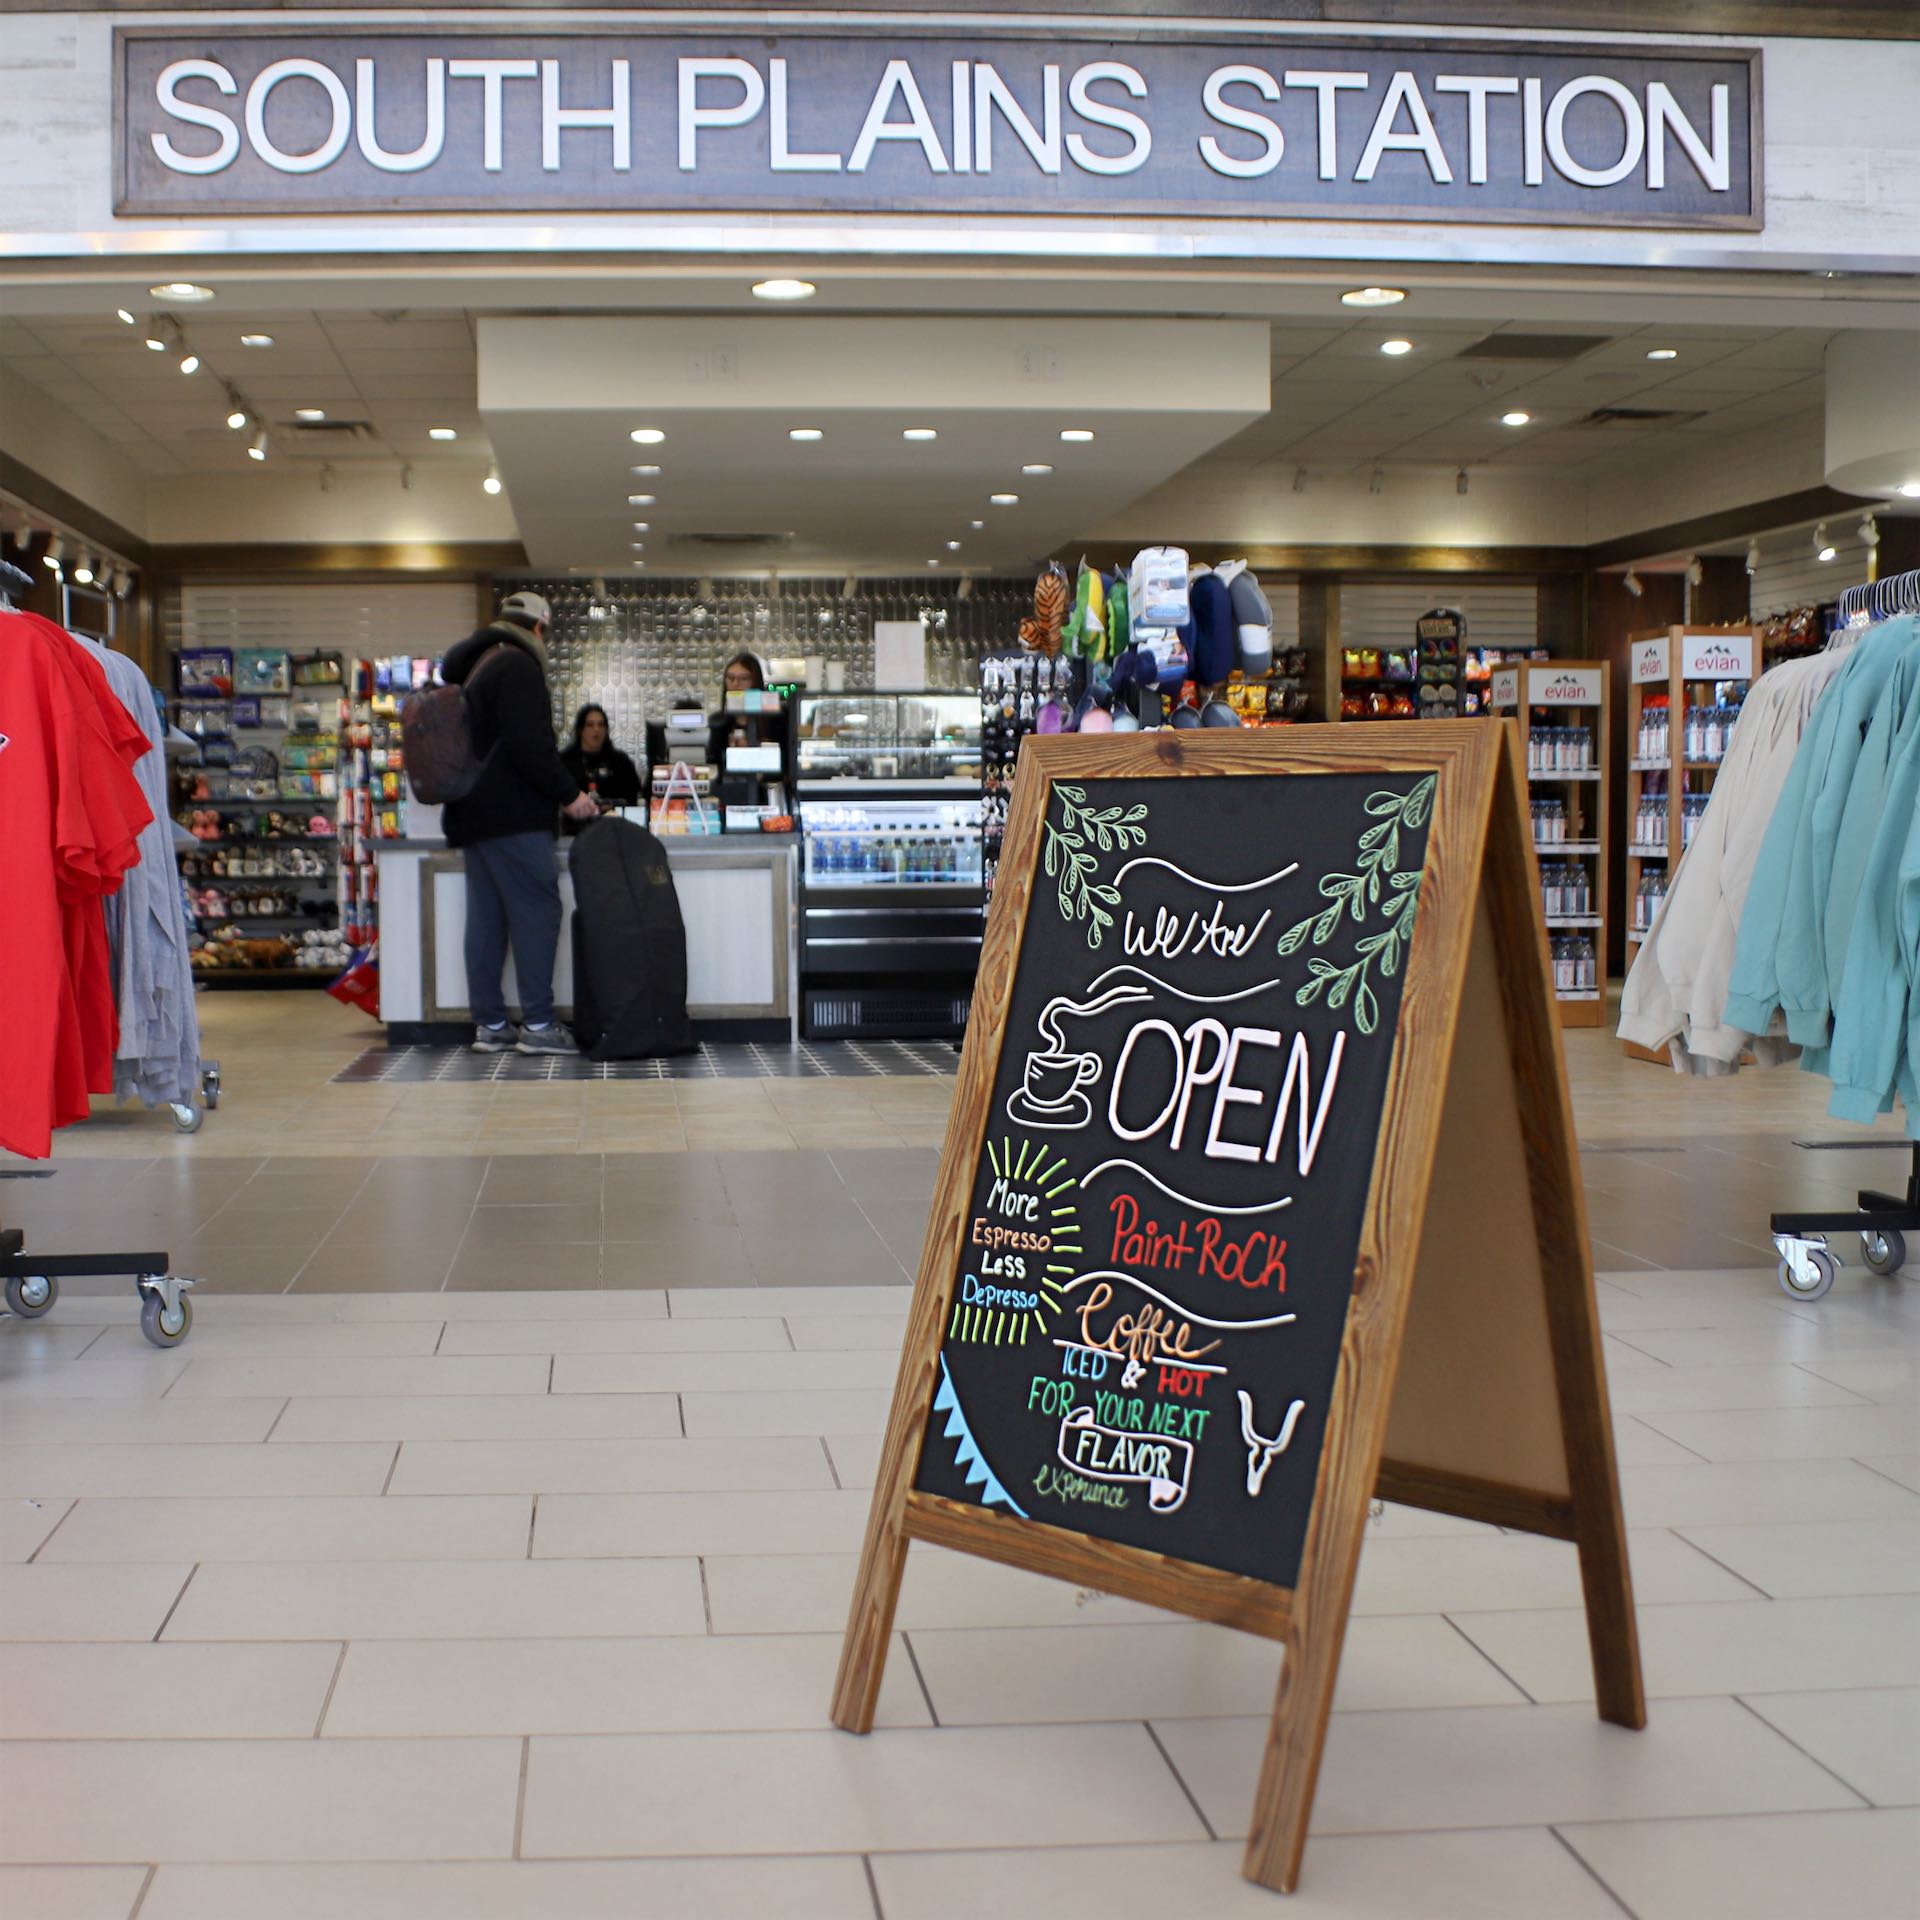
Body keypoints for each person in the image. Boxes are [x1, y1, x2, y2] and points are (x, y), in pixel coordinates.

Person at [439, 590, 598, 1054]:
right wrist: (571, 796)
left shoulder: (475, 665)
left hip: (472, 815)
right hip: (514, 817)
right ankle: (540, 1024)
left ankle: (490, 1025)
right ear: (539, 629)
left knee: (486, 921)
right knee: (537, 913)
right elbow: (532, 746)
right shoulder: (517, 666)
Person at [560, 704, 643, 832]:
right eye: (590, 725)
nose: (596, 730)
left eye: (601, 725)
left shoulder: (621, 762)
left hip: (614, 829)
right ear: (580, 729)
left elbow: (632, 799)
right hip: (573, 830)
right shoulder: (565, 762)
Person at [708, 652, 787, 766]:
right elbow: (713, 763)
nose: (735, 684)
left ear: (755, 682)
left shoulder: (776, 720)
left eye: (743, 679)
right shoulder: (718, 723)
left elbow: (786, 763)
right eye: (730, 678)